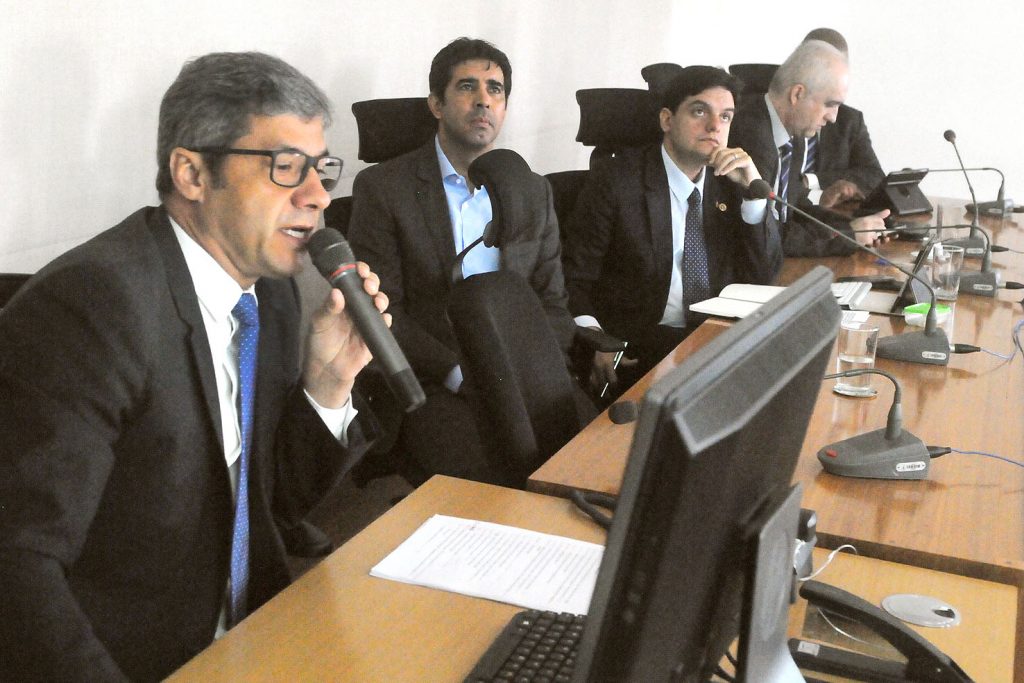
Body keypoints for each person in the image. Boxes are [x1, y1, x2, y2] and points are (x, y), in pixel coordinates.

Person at [0, 52, 385, 682]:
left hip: (249, 636)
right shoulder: (95, 306)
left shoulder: (269, 294)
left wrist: (327, 384)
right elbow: (18, 567)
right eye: (286, 167)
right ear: (192, 173)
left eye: (321, 169)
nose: (318, 195)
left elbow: (268, 506)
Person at [347, 37, 574, 485]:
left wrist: (536, 368)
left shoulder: (532, 190)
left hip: (525, 374)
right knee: (492, 489)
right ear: (436, 103)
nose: (483, 100)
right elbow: (382, 312)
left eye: (496, 89)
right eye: (467, 86)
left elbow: (551, 300)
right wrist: (460, 373)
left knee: (583, 469)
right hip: (433, 380)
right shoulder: (384, 189)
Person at [563, 66, 783, 395]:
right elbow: (574, 277)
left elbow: (763, 277)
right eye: (700, 111)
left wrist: (754, 195)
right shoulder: (616, 181)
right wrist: (595, 338)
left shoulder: (730, 183)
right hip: (641, 350)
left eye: (725, 117)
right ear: (667, 120)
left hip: (714, 341)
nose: (715, 126)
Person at [728, 39, 890, 257]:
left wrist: (855, 226)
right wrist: (848, 237)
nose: (833, 118)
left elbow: (794, 208)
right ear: (797, 94)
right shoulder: (751, 136)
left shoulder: (792, 134)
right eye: (830, 105)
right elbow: (769, 234)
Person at [798, 28, 885, 209]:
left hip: (832, 214)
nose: (832, 116)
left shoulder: (849, 119)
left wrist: (813, 180)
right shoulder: (786, 113)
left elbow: (874, 176)